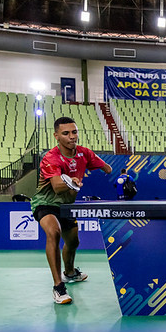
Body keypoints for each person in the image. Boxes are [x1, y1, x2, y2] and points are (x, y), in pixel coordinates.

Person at [31, 116, 112, 304]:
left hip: (67, 206)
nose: (72, 136)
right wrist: (70, 180)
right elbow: (58, 186)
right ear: (56, 136)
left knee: (74, 242)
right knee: (53, 232)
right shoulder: (50, 158)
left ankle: (69, 272)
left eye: (74, 132)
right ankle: (58, 287)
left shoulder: (84, 153)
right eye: (66, 133)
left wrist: (107, 168)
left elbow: (104, 166)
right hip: (46, 202)